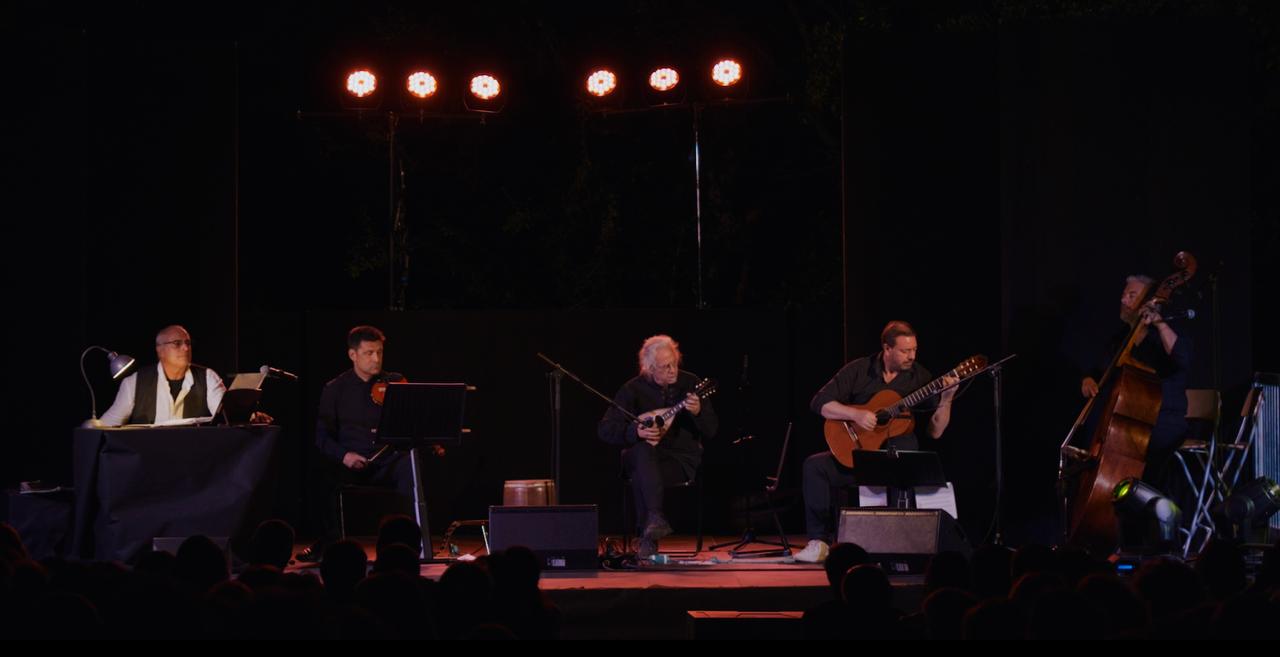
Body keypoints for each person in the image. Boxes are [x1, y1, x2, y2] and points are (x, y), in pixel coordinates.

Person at [795, 321, 958, 563]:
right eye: (905, 351)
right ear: (887, 348)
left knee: (905, 454)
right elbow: (819, 403)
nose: (911, 356)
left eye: (914, 350)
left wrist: (947, 399)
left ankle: (899, 547)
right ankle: (818, 542)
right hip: (859, 459)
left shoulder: (920, 377)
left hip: (893, 463)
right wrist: (856, 414)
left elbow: (935, 432)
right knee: (814, 466)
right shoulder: (860, 370)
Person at [297, 325, 423, 563]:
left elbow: (411, 421)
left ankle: (407, 545)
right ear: (352, 355)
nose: (376, 359)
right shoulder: (335, 389)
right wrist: (345, 456)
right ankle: (331, 545)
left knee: (410, 467)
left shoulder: (394, 382)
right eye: (369, 353)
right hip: (351, 464)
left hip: (387, 461)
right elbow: (322, 437)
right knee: (323, 474)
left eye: (380, 352)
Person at [598, 335, 717, 560]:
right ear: (650, 369)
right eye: (665, 366)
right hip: (642, 457)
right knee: (643, 452)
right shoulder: (632, 389)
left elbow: (712, 430)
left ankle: (648, 533)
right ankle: (653, 520)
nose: (672, 370)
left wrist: (698, 412)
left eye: (674, 363)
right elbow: (605, 429)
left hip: (679, 460)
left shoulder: (691, 384)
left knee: (644, 473)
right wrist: (635, 432)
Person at [1078, 275, 1192, 485]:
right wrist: (1088, 379)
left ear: (1149, 300)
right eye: (1123, 295)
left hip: (1162, 420)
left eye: (1131, 296)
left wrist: (1159, 323)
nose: (1123, 301)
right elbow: (1099, 369)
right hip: (1129, 420)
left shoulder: (1165, 330)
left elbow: (1182, 358)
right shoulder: (1121, 336)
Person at [99, 325, 225, 426]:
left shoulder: (208, 378)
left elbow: (228, 417)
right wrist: (90, 426)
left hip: (195, 454)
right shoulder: (135, 382)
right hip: (150, 455)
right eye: (177, 343)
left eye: (188, 343)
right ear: (160, 350)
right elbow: (107, 425)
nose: (186, 348)